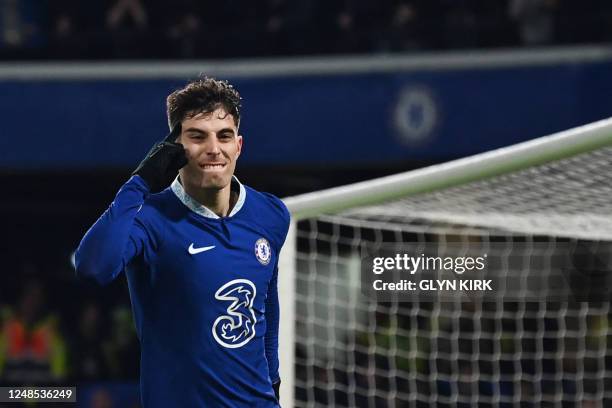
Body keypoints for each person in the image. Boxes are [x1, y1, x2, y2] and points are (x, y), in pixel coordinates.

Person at [75, 77, 290, 407]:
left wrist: (273, 380)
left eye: (224, 136)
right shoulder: (150, 219)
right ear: (175, 147)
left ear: (239, 146)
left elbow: (267, 306)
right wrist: (139, 182)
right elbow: (93, 267)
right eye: (197, 136)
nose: (214, 149)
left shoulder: (271, 213)